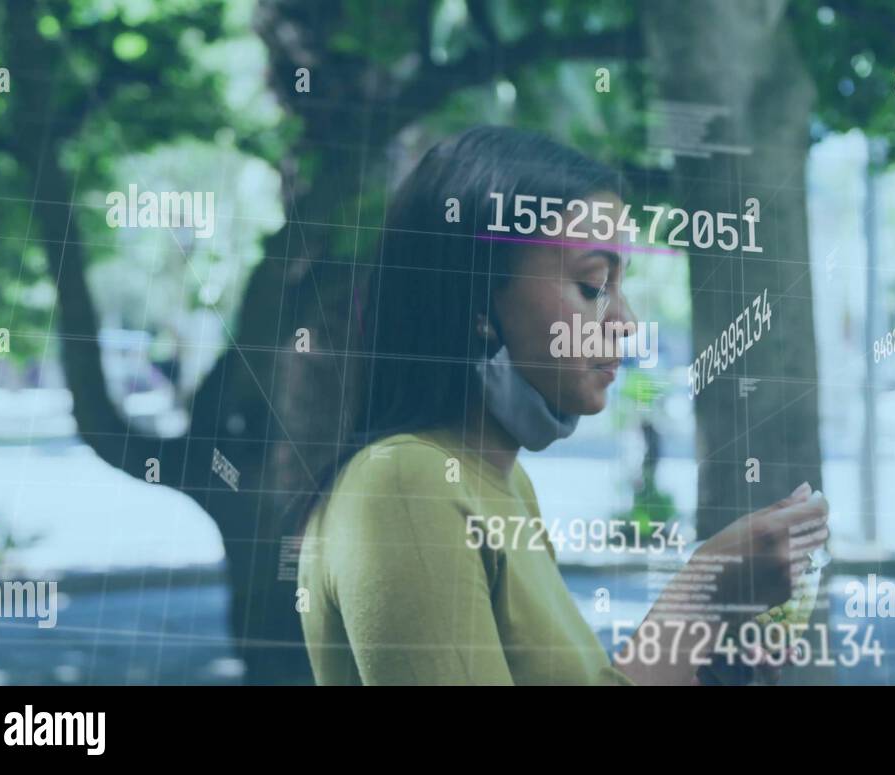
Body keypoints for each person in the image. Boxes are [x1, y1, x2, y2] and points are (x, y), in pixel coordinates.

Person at [295, 126, 827, 686]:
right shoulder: (404, 484)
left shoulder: (505, 484)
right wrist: (701, 594)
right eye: (594, 285)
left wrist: (712, 657)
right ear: (478, 300)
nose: (625, 323)